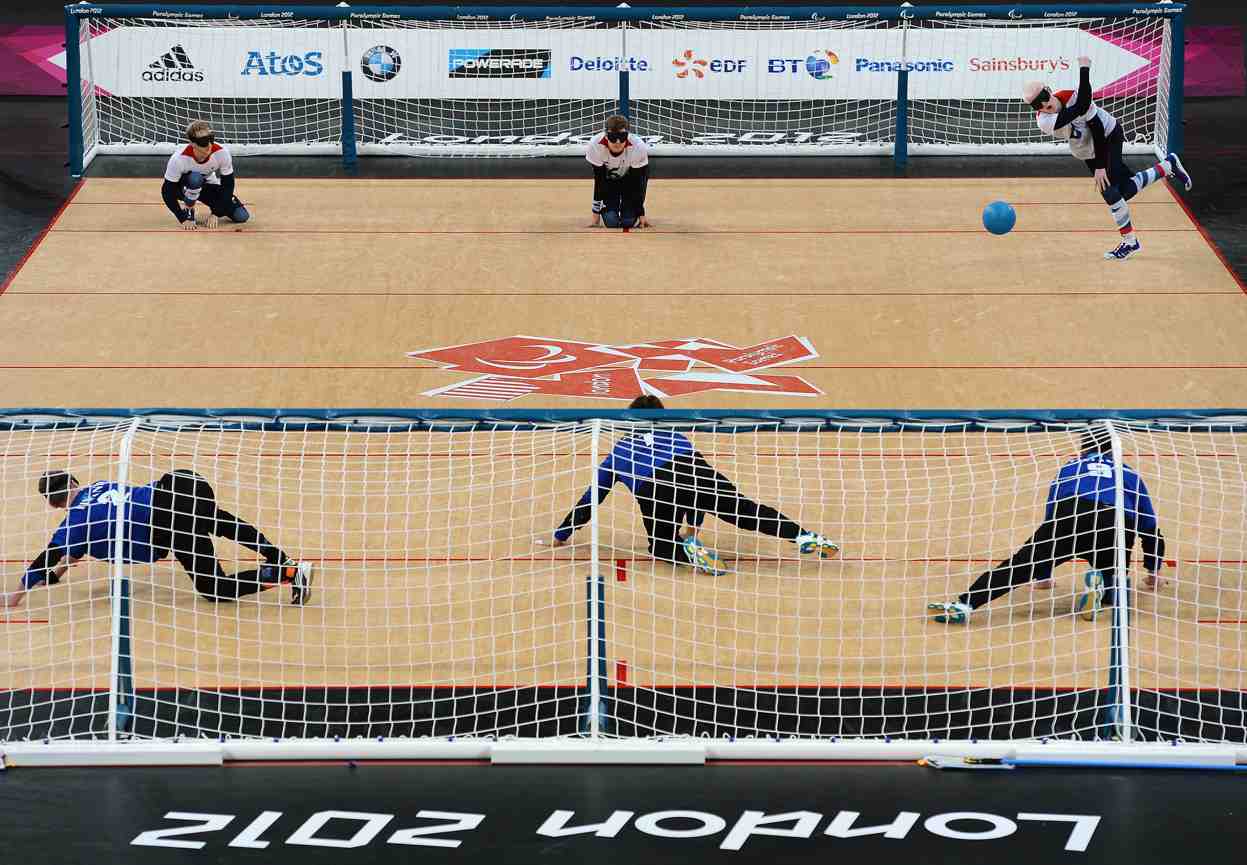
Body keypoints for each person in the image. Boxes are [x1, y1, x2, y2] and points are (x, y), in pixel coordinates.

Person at [551, 395, 839, 574]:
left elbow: (592, 498)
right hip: (698, 473)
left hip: (656, 489)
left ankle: (687, 551)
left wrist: (562, 533)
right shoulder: (677, 436)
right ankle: (803, 536)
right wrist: (694, 526)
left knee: (661, 548)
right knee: (749, 512)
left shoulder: (619, 451)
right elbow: (691, 484)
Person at [929, 426, 1165, 625]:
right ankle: (1102, 587)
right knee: (1117, 590)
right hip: (1113, 524)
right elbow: (1150, 528)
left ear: (1084, 447)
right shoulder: (1130, 475)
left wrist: (1043, 573)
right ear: (1116, 449)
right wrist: (1153, 571)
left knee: (1020, 565)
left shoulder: (1070, 467)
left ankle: (965, 603)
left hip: (1070, 515)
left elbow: (1051, 514)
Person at [2, 469, 313, 609]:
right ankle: (285, 563)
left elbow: (47, 557)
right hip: (180, 482)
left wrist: (15, 598)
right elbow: (75, 550)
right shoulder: (97, 486)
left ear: (52, 503)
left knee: (214, 589)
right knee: (224, 524)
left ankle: (287, 572)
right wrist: (57, 575)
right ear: (73, 481)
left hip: (166, 520)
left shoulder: (71, 526)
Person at [1023, 56, 1191, 261]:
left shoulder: (1072, 95)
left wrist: (1101, 167)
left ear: (1050, 90)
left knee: (1110, 194)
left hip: (1109, 136)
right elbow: (1079, 109)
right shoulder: (1045, 121)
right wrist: (1084, 70)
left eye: (1048, 102)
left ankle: (1130, 242)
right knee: (1123, 192)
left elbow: (1097, 128)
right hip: (1087, 151)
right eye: (1042, 108)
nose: (1048, 108)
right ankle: (1167, 166)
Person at [161, 120, 250, 231]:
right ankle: (189, 210)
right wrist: (182, 218)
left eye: (210, 139)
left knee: (241, 216)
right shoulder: (179, 159)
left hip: (207, 187)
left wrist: (216, 213)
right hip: (183, 188)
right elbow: (167, 191)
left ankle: (212, 204)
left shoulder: (221, 153)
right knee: (195, 178)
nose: (209, 145)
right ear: (192, 143)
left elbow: (228, 185)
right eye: (203, 141)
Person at [586, 115, 651, 230]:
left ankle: (629, 208)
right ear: (606, 136)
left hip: (631, 181)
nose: (617, 142)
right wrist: (595, 214)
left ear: (628, 135)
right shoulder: (595, 146)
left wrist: (641, 214)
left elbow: (637, 183)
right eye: (613, 137)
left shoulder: (638, 147)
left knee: (628, 222)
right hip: (609, 181)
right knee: (611, 222)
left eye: (622, 137)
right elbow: (599, 180)